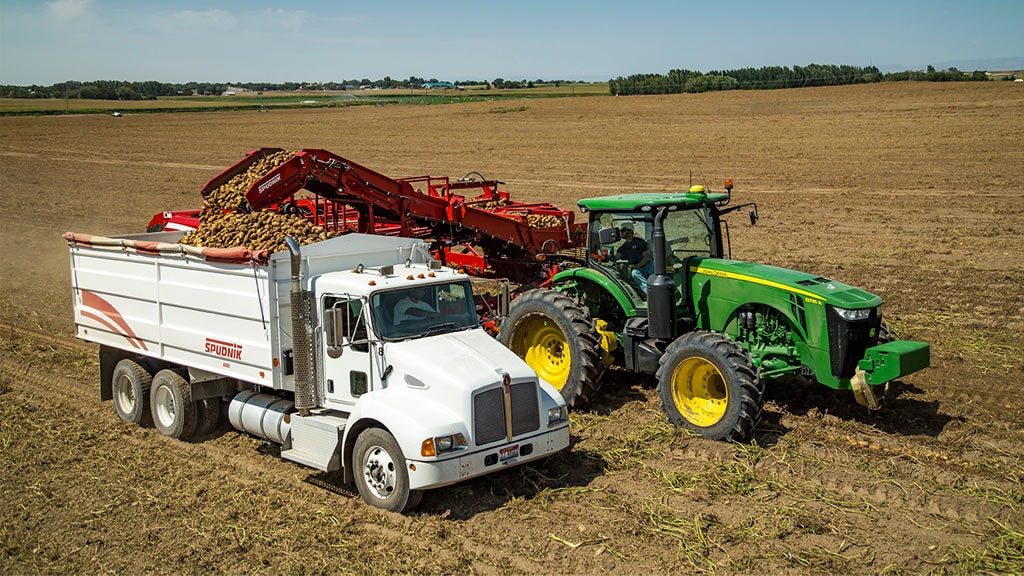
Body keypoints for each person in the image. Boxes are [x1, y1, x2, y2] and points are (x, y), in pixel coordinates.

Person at [615, 222, 653, 292]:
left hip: (647, 265)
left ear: (630, 231)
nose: (621, 233)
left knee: (654, 274)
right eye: (621, 231)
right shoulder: (622, 248)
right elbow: (616, 258)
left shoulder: (640, 241)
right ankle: (649, 293)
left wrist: (636, 266)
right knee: (635, 273)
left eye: (623, 231)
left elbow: (646, 257)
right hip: (637, 269)